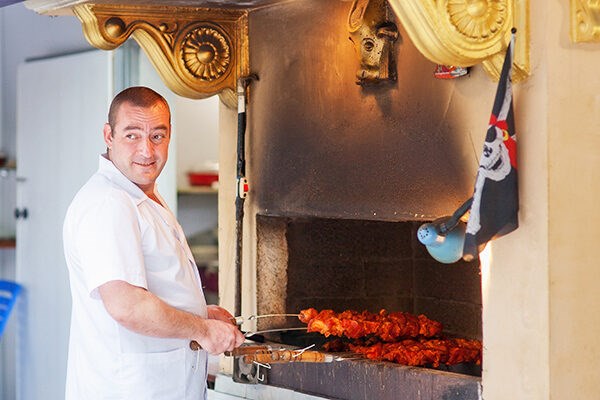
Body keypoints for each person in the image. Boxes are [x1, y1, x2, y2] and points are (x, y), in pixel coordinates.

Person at [63, 86, 245, 400]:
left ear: (169, 135)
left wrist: (199, 312)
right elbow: (127, 305)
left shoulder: (139, 193)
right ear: (109, 135)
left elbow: (155, 286)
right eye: (132, 135)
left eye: (157, 136)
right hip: (129, 389)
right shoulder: (109, 203)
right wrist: (201, 330)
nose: (147, 151)